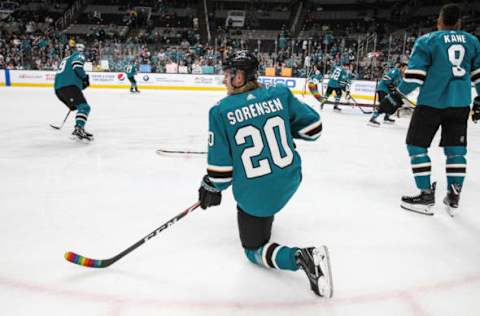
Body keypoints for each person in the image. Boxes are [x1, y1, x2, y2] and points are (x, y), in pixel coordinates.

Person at [197, 50, 333, 297]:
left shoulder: (220, 111)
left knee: (253, 249)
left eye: (229, 74)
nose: (224, 79)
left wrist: (209, 186)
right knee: (265, 197)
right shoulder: (279, 93)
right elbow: (314, 129)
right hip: (291, 179)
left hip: (259, 197)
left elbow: (221, 178)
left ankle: (300, 257)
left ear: (241, 77)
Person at [378, 4, 480, 216]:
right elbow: (478, 76)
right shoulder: (473, 42)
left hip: (431, 103)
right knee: (456, 152)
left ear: (439, 21)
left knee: (416, 146)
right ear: (459, 22)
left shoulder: (428, 40)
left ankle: (425, 195)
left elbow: (415, 77)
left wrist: (395, 97)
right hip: (460, 104)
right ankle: (454, 197)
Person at [54, 43, 93, 142]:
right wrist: (84, 78)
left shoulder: (66, 58)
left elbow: (68, 72)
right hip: (69, 86)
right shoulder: (79, 56)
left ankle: (80, 128)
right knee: (84, 107)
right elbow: (77, 66)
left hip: (59, 88)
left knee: (80, 106)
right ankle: (78, 129)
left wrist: (80, 83)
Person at [368, 62, 407, 127]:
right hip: (383, 89)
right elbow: (386, 78)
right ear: (401, 67)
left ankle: (386, 118)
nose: (406, 70)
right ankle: (372, 119)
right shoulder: (395, 71)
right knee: (384, 105)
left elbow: (397, 86)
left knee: (394, 104)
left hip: (388, 91)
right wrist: (392, 87)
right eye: (405, 68)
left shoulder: (401, 76)